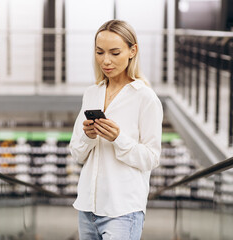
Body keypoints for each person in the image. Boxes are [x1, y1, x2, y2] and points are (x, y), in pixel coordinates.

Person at [69, 19, 163, 240]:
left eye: (114, 53)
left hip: (123, 211)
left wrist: (119, 138)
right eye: (99, 52)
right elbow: (76, 152)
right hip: (87, 209)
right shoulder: (92, 93)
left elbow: (151, 158)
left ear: (133, 51)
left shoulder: (145, 97)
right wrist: (89, 136)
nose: (106, 60)